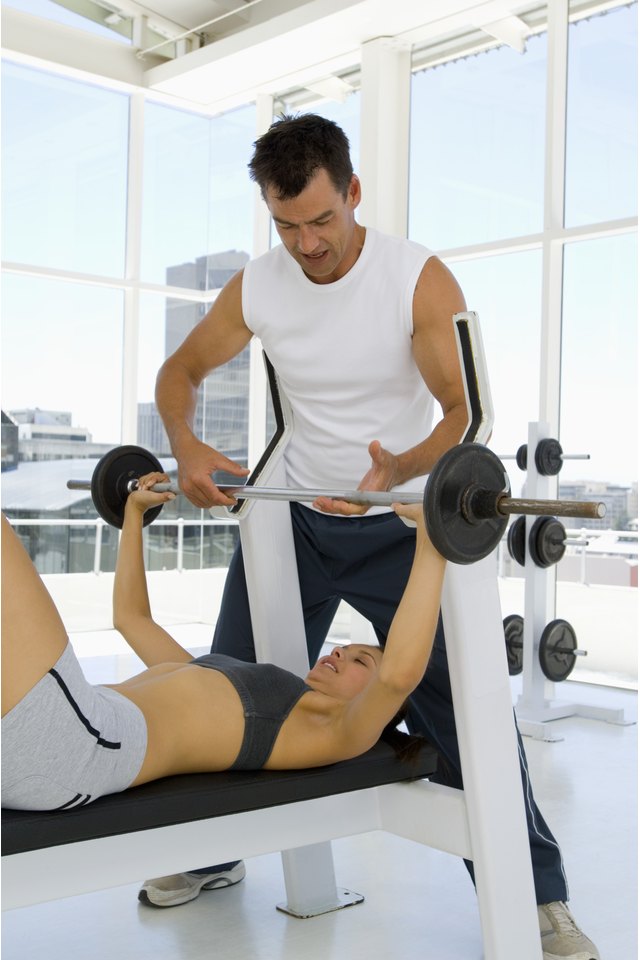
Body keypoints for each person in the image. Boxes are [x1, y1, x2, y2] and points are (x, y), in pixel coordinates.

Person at [151, 114, 600, 960]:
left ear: (353, 193)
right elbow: (180, 371)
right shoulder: (260, 285)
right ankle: (210, 856)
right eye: (287, 226)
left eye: (322, 220)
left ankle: (539, 899)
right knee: (229, 693)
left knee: (468, 716)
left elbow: (467, 413)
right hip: (294, 520)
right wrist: (187, 444)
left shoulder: (416, 280)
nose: (307, 243)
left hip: (400, 528)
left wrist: (399, 466)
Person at [1, 478, 443, 812]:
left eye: (360, 659)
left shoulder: (337, 731)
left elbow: (399, 674)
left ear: (379, 705)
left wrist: (432, 540)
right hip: (69, 735)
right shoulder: (214, 675)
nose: (339, 653)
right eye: (344, 648)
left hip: (82, 743)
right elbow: (131, 618)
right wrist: (134, 514)